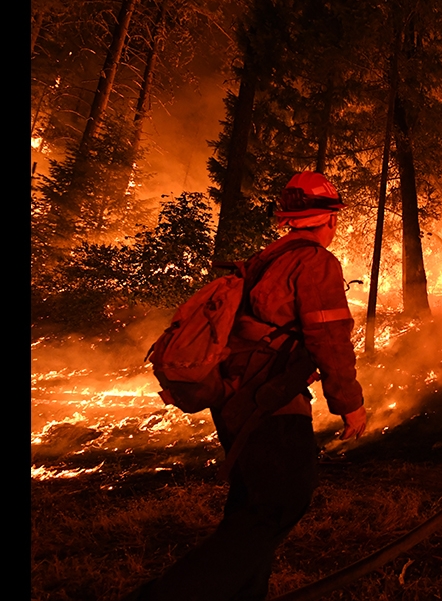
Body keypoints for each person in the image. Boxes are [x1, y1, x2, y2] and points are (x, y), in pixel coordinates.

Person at [129, 172, 367, 601]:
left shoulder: (268, 257)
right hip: (269, 403)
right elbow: (329, 338)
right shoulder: (315, 262)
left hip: (236, 398)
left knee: (251, 509)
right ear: (328, 220)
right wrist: (349, 403)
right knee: (279, 505)